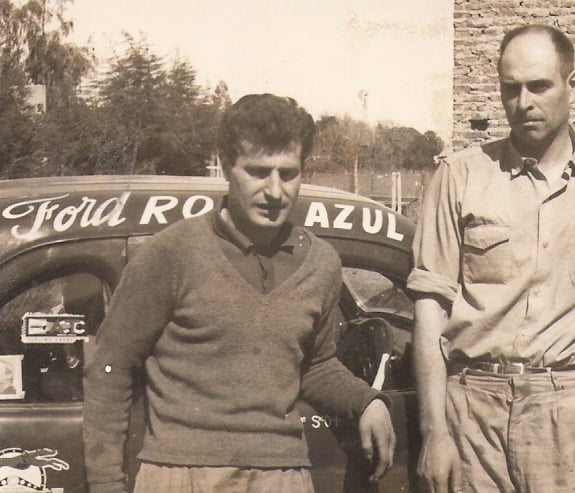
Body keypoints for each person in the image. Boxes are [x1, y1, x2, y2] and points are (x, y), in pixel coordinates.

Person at [407, 23, 575, 493]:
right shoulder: (460, 176)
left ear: (571, 84)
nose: (524, 102)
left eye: (539, 86)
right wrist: (435, 433)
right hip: (474, 415)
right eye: (510, 88)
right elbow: (429, 308)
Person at [83, 93, 395, 493]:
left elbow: (315, 366)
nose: (275, 191)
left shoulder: (321, 263)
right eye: (258, 172)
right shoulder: (172, 252)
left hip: (283, 476)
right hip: (182, 473)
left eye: (288, 174)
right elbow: (111, 367)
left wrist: (368, 401)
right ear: (227, 167)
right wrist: (106, 485)